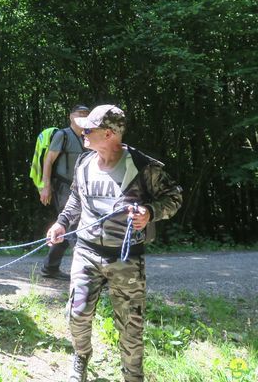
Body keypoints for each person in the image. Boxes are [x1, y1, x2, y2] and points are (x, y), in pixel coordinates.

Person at [46, 105, 182, 382]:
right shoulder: (84, 162)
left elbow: (175, 196)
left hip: (127, 258)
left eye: (89, 129)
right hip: (86, 251)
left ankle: (133, 376)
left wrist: (150, 212)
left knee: (131, 326)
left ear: (108, 133)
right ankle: (81, 357)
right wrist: (61, 223)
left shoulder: (143, 167)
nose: (83, 132)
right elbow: (75, 198)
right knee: (78, 314)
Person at [39, 104, 90, 280]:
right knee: (73, 226)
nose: (83, 115)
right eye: (79, 113)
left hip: (83, 189)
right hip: (63, 187)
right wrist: (45, 186)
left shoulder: (89, 136)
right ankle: (86, 273)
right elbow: (48, 160)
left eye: (86, 113)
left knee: (68, 227)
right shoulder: (63, 135)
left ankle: (50, 267)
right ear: (70, 116)